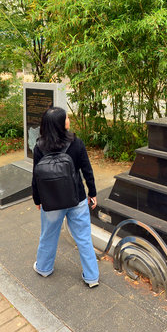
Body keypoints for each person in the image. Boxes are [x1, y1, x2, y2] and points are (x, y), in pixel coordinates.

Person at [31, 107, 100, 288]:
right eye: (66, 118)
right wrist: (92, 193)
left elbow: (36, 177)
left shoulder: (39, 147)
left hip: (51, 201)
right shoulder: (76, 143)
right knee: (84, 237)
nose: (69, 120)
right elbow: (87, 170)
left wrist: (37, 200)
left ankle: (44, 268)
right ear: (61, 124)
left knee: (48, 235)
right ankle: (92, 277)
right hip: (76, 198)